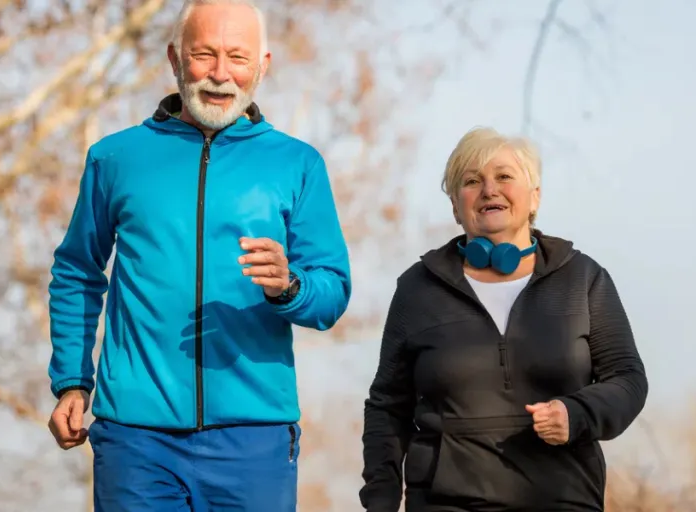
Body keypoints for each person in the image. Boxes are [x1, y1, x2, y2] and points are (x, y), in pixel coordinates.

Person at [44, 0, 351, 510]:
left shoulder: (298, 163)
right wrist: (72, 381)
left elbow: (333, 292)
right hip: (135, 439)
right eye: (204, 54)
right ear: (174, 58)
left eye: (237, 57)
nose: (220, 73)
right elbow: (77, 271)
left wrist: (288, 286)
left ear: (264, 65)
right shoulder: (115, 158)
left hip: (254, 438)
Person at [359, 127, 648, 511]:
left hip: (563, 498)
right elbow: (387, 406)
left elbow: (628, 379)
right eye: (472, 181)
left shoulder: (583, 279)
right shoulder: (418, 289)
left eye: (504, 176)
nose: (489, 190)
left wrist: (576, 414)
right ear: (455, 208)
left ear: (535, 198)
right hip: (444, 502)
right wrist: (380, 500)